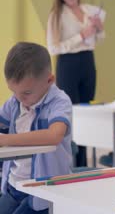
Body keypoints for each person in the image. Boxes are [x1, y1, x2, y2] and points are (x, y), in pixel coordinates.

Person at [0, 42, 73, 214]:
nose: (19, 98)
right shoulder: (16, 101)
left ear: (49, 80)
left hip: (43, 190)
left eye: (26, 93)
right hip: (13, 185)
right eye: (13, 91)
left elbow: (54, 135)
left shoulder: (59, 102)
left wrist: (6, 140)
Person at [46, 0, 105, 167]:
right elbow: (53, 47)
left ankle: (83, 164)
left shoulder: (90, 10)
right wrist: (81, 35)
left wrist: (98, 28)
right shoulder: (56, 15)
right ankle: (68, 163)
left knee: (85, 112)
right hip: (68, 64)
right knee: (70, 114)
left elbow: (100, 39)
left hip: (88, 61)